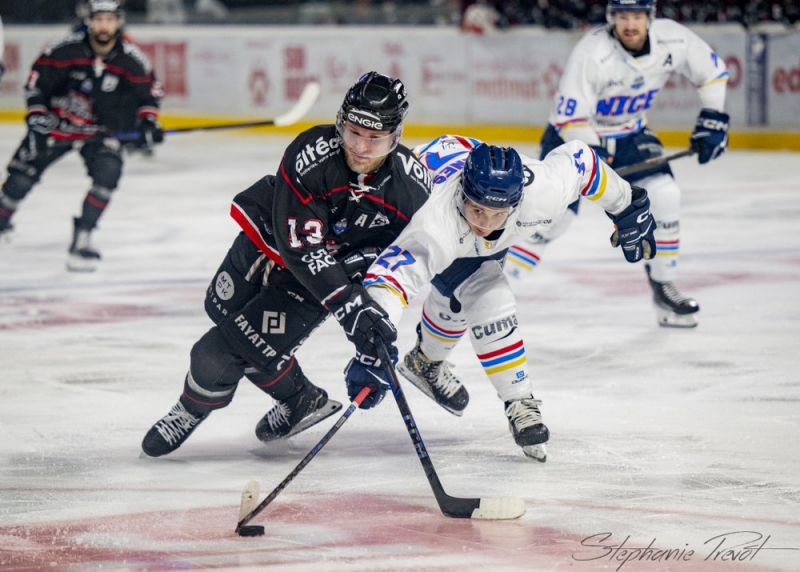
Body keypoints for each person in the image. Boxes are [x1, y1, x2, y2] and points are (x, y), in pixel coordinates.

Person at [141, 72, 432, 458]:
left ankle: (190, 409)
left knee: (216, 355)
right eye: (353, 133)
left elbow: (406, 261)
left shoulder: (411, 189)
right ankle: (301, 399)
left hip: (315, 283)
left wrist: (373, 326)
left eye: (375, 138)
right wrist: (349, 306)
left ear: (395, 137)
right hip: (271, 245)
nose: (361, 148)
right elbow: (303, 247)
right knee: (220, 309)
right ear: (340, 123)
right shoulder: (312, 153)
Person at [341, 134, 656, 461]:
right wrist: (371, 346)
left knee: (460, 294)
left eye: (497, 213)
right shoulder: (434, 223)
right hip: (398, 205)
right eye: (477, 209)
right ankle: (519, 399)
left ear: (517, 202)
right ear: (462, 193)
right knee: (488, 292)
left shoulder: (542, 192)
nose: (485, 224)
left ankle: (426, 361)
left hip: (453, 169)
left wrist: (625, 203)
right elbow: (390, 279)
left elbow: (582, 162)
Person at [505, 0, 729, 328]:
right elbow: (571, 118)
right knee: (554, 219)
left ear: (650, 17)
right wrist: (595, 161)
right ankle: (497, 283)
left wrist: (713, 118)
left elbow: (712, 72)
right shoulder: (592, 53)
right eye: (623, 16)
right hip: (575, 136)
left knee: (665, 194)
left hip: (630, 134)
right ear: (612, 17)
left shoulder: (673, 39)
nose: (630, 24)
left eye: (637, 16)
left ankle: (664, 287)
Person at [0, 0, 163, 271]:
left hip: (98, 134)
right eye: (98, 20)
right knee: (18, 181)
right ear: (88, 21)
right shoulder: (65, 50)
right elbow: (35, 84)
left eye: (109, 20)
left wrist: (147, 123)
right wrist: (37, 119)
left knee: (108, 173)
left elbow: (149, 93)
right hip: (55, 127)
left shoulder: (132, 59)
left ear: (119, 22)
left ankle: (83, 239)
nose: (103, 26)